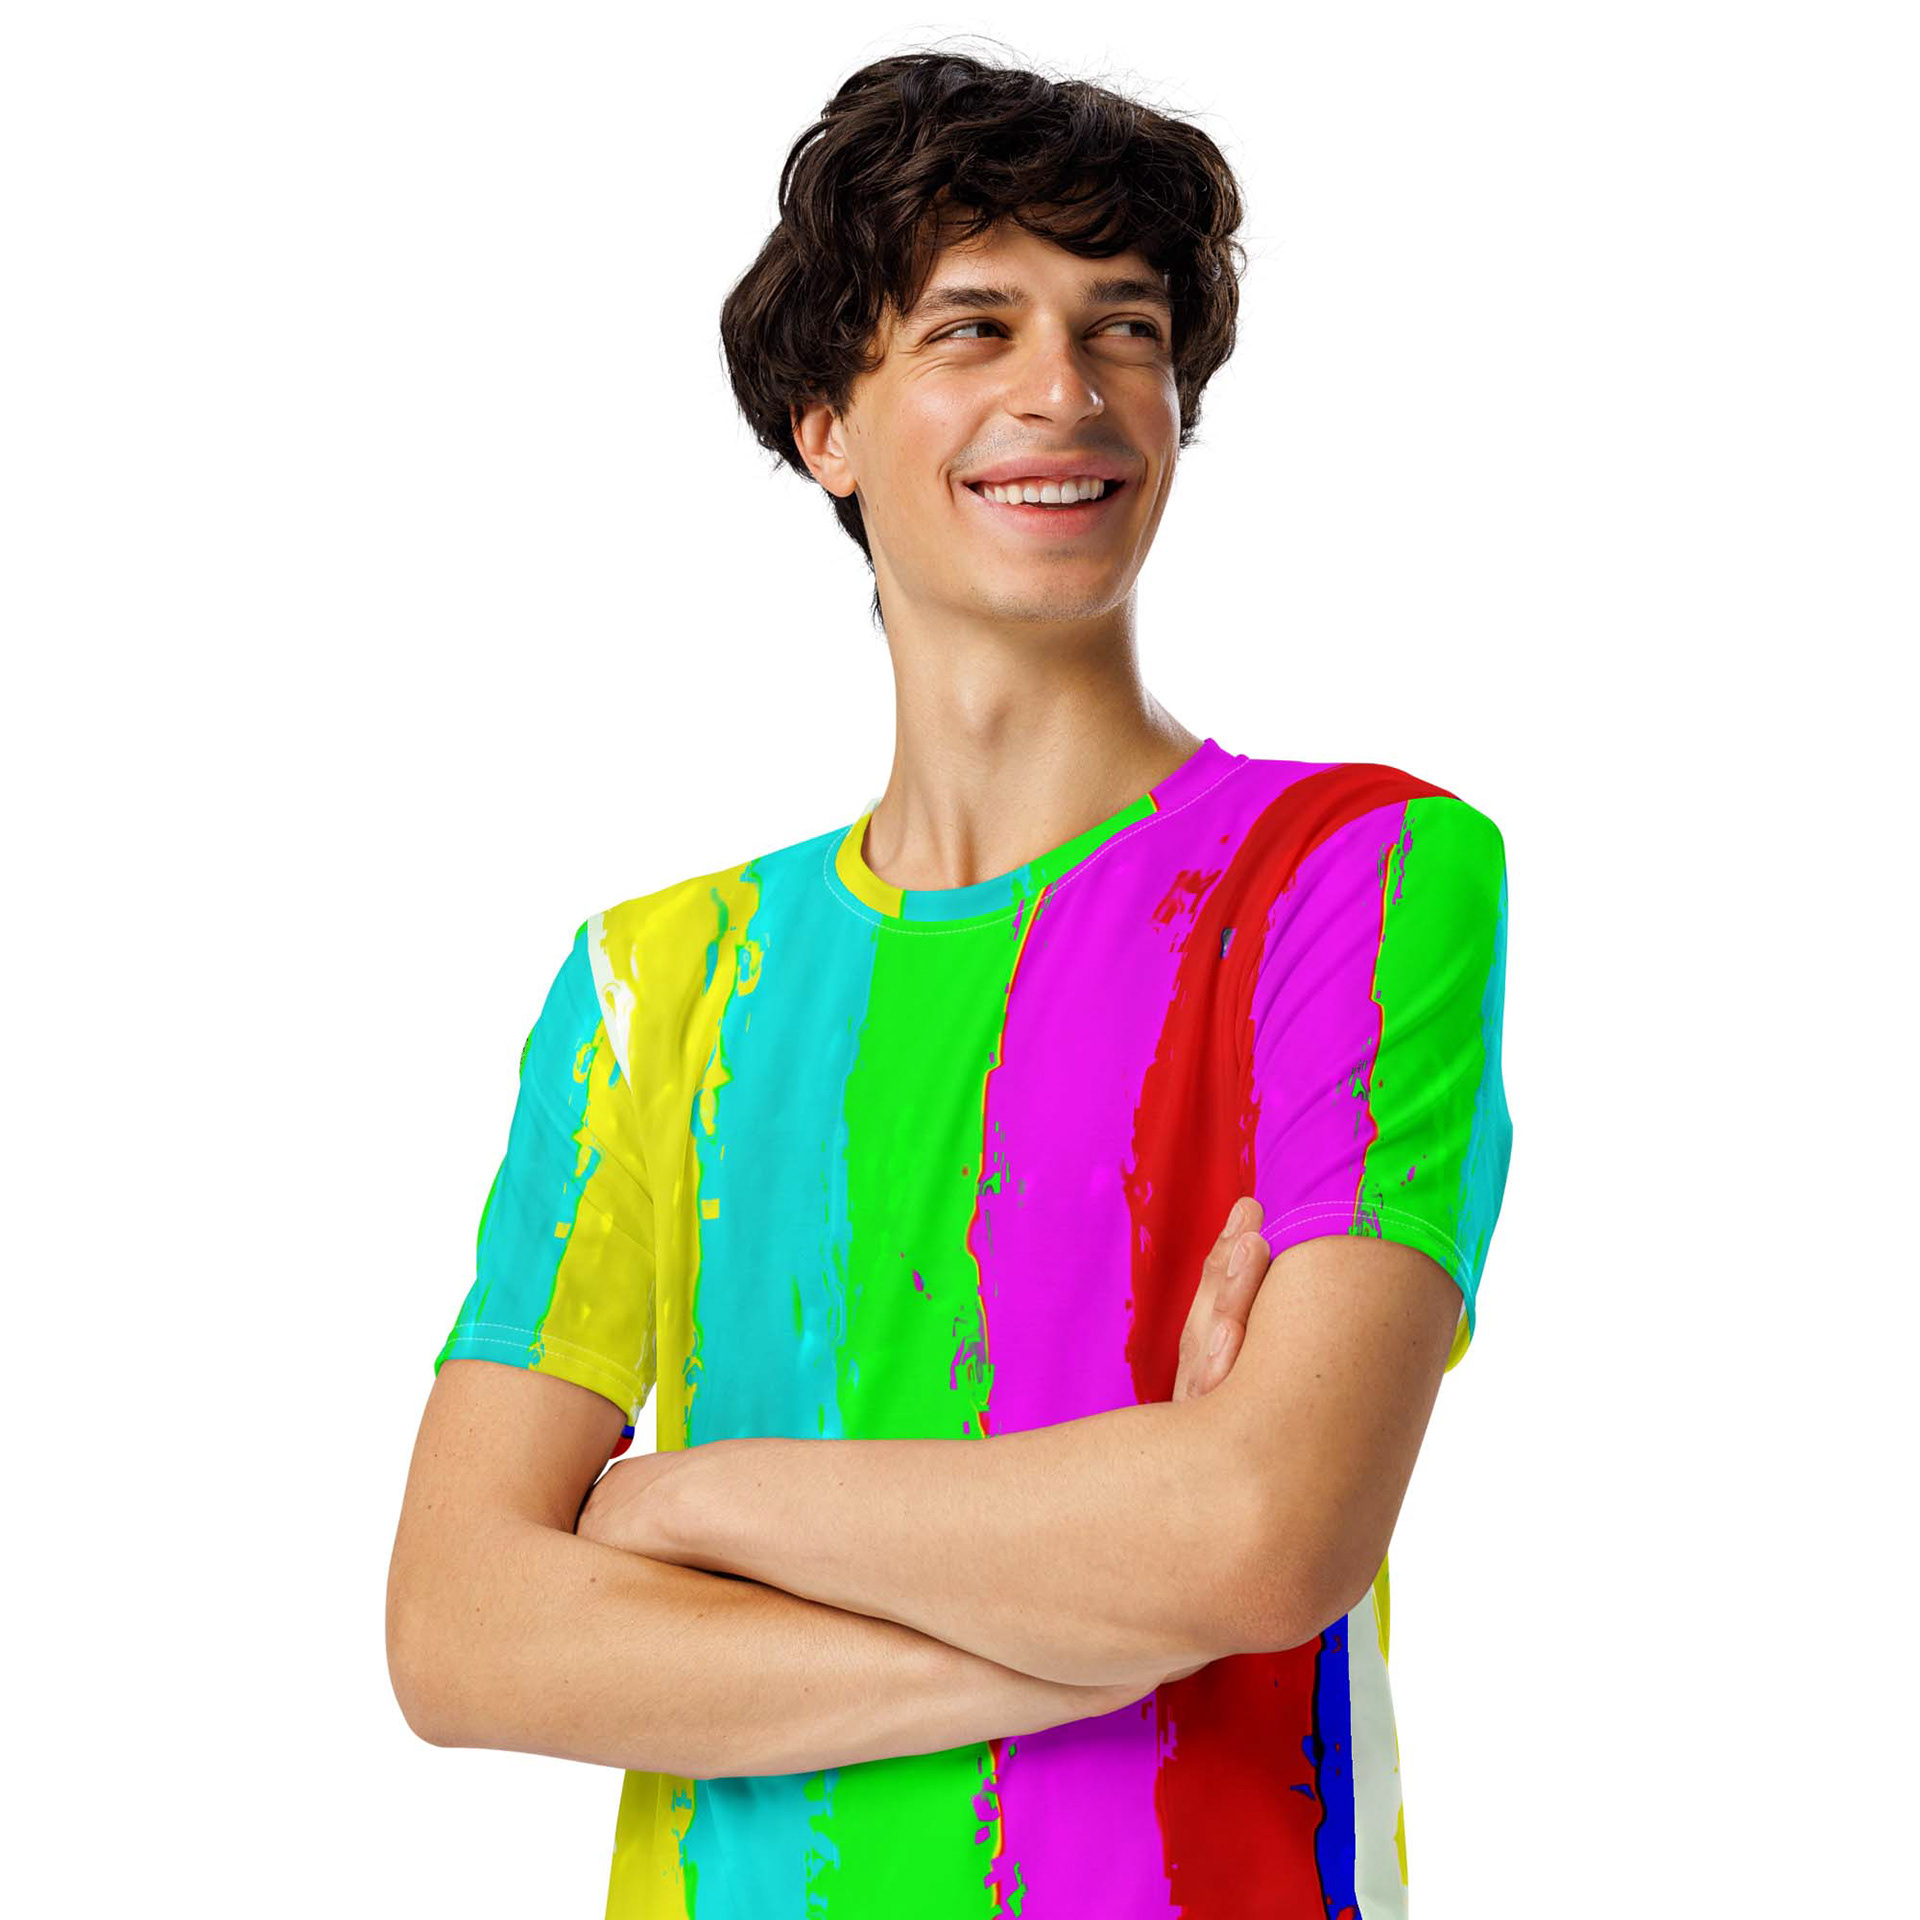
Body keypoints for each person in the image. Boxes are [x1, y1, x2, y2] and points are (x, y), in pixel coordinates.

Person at [386, 47, 1512, 1919]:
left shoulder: (1359, 874)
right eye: (973, 328)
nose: (1066, 393)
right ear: (826, 422)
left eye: (1124, 328)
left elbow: (1265, 1528)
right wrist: (1105, 1619)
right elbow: (460, 1632)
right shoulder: (658, 982)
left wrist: (680, 1504)